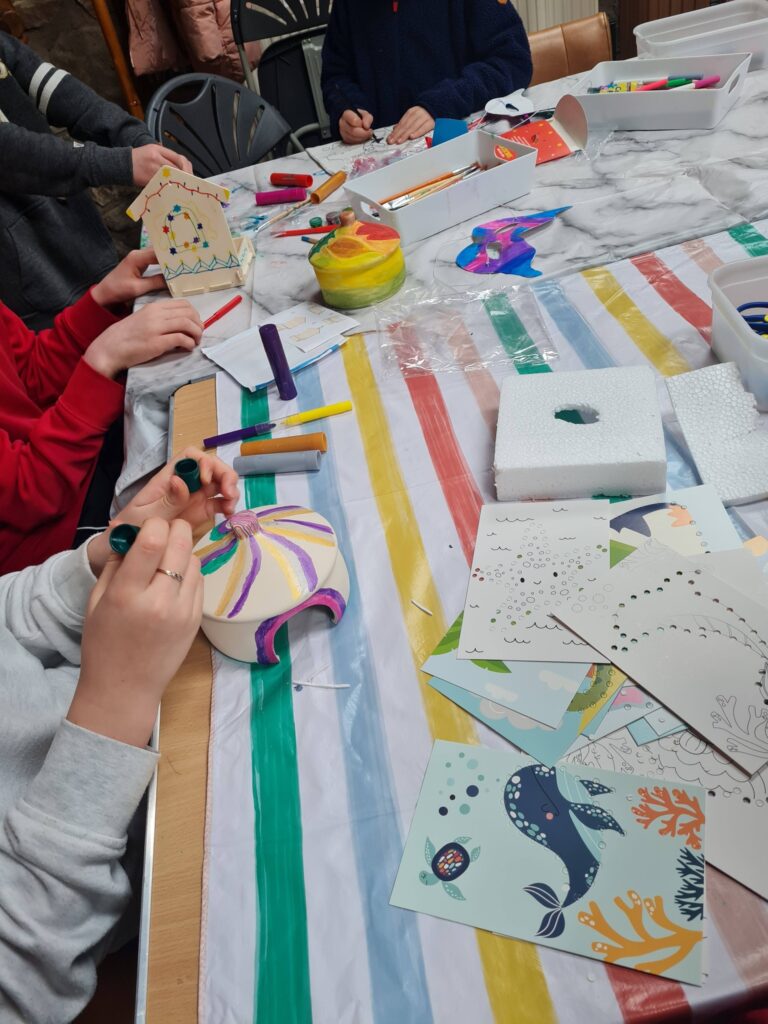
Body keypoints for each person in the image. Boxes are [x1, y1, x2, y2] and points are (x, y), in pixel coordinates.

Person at [0, 451, 239, 1023]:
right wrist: (114, 705)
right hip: (157, 860)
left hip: (150, 695)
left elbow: (10, 617)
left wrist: (107, 557)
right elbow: (19, 980)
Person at [0, 247, 204, 574]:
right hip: (52, 548)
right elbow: (32, 493)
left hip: (65, 465)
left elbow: (31, 374)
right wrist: (102, 359)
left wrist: (102, 301)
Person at [0, 31, 193, 329]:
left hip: (78, 237)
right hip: (31, 279)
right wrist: (124, 163)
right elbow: (12, 153)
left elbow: (66, 95)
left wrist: (137, 140)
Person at [321, 0, 532, 146]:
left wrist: (443, 103)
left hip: (461, 144)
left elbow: (512, 61)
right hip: (380, 155)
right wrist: (347, 110)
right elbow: (335, 75)